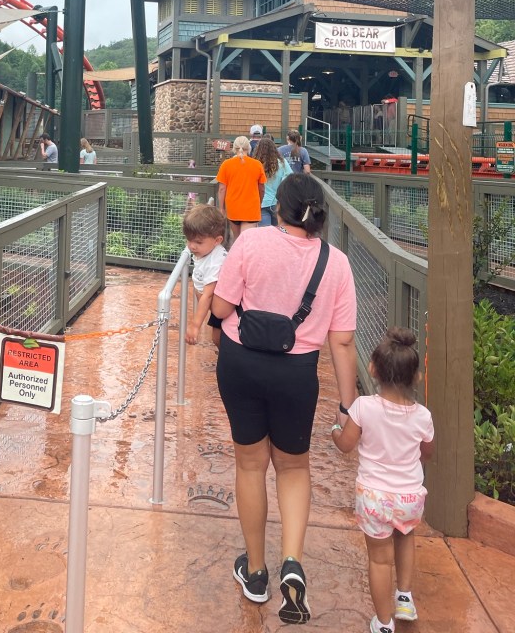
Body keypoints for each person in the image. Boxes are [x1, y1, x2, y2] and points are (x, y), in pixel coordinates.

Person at [210, 173, 358, 625]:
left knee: (250, 465)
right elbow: (342, 342)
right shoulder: (336, 263)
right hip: (297, 374)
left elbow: (220, 309)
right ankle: (292, 563)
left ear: (279, 208)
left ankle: (256, 572)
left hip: (241, 363)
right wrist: (348, 407)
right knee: (293, 467)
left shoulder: (250, 242)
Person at [331, 328, 434, 633]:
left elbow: (346, 445)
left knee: (379, 560)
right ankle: (404, 597)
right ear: (416, 377)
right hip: (409, 498)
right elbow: (427, 453)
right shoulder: (423, 416)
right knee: (405, 536)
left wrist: (336, 430)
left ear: (373, 369)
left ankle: (384, 623)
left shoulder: (363, 407)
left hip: (374, 498)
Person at [182, 203, 228, 347]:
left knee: (218, 338)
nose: (191, 246)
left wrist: (195, 325)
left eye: (198, 242)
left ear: (217, 241)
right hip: (213, 305)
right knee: (217, 337)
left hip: (223, 306)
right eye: (189, 240)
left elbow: (208, 295)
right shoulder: (205, 250)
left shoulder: (216, 261)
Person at [216, 135, 266, 243]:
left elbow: (222, 189)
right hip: (251, 208)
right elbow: (262, 188)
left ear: (234, 148)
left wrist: (221, 208)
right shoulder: (257, 165)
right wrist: (259, 202)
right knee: (247, 242)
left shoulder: (226, 164)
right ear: (249, 148)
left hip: (233, 207)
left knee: (237, 239)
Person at [253, 135, 292, 226]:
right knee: (278, 231)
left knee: (265, 232)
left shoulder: (255, 164)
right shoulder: (282, 162)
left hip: (261, 202)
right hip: (278, 202)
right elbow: (290, 178)